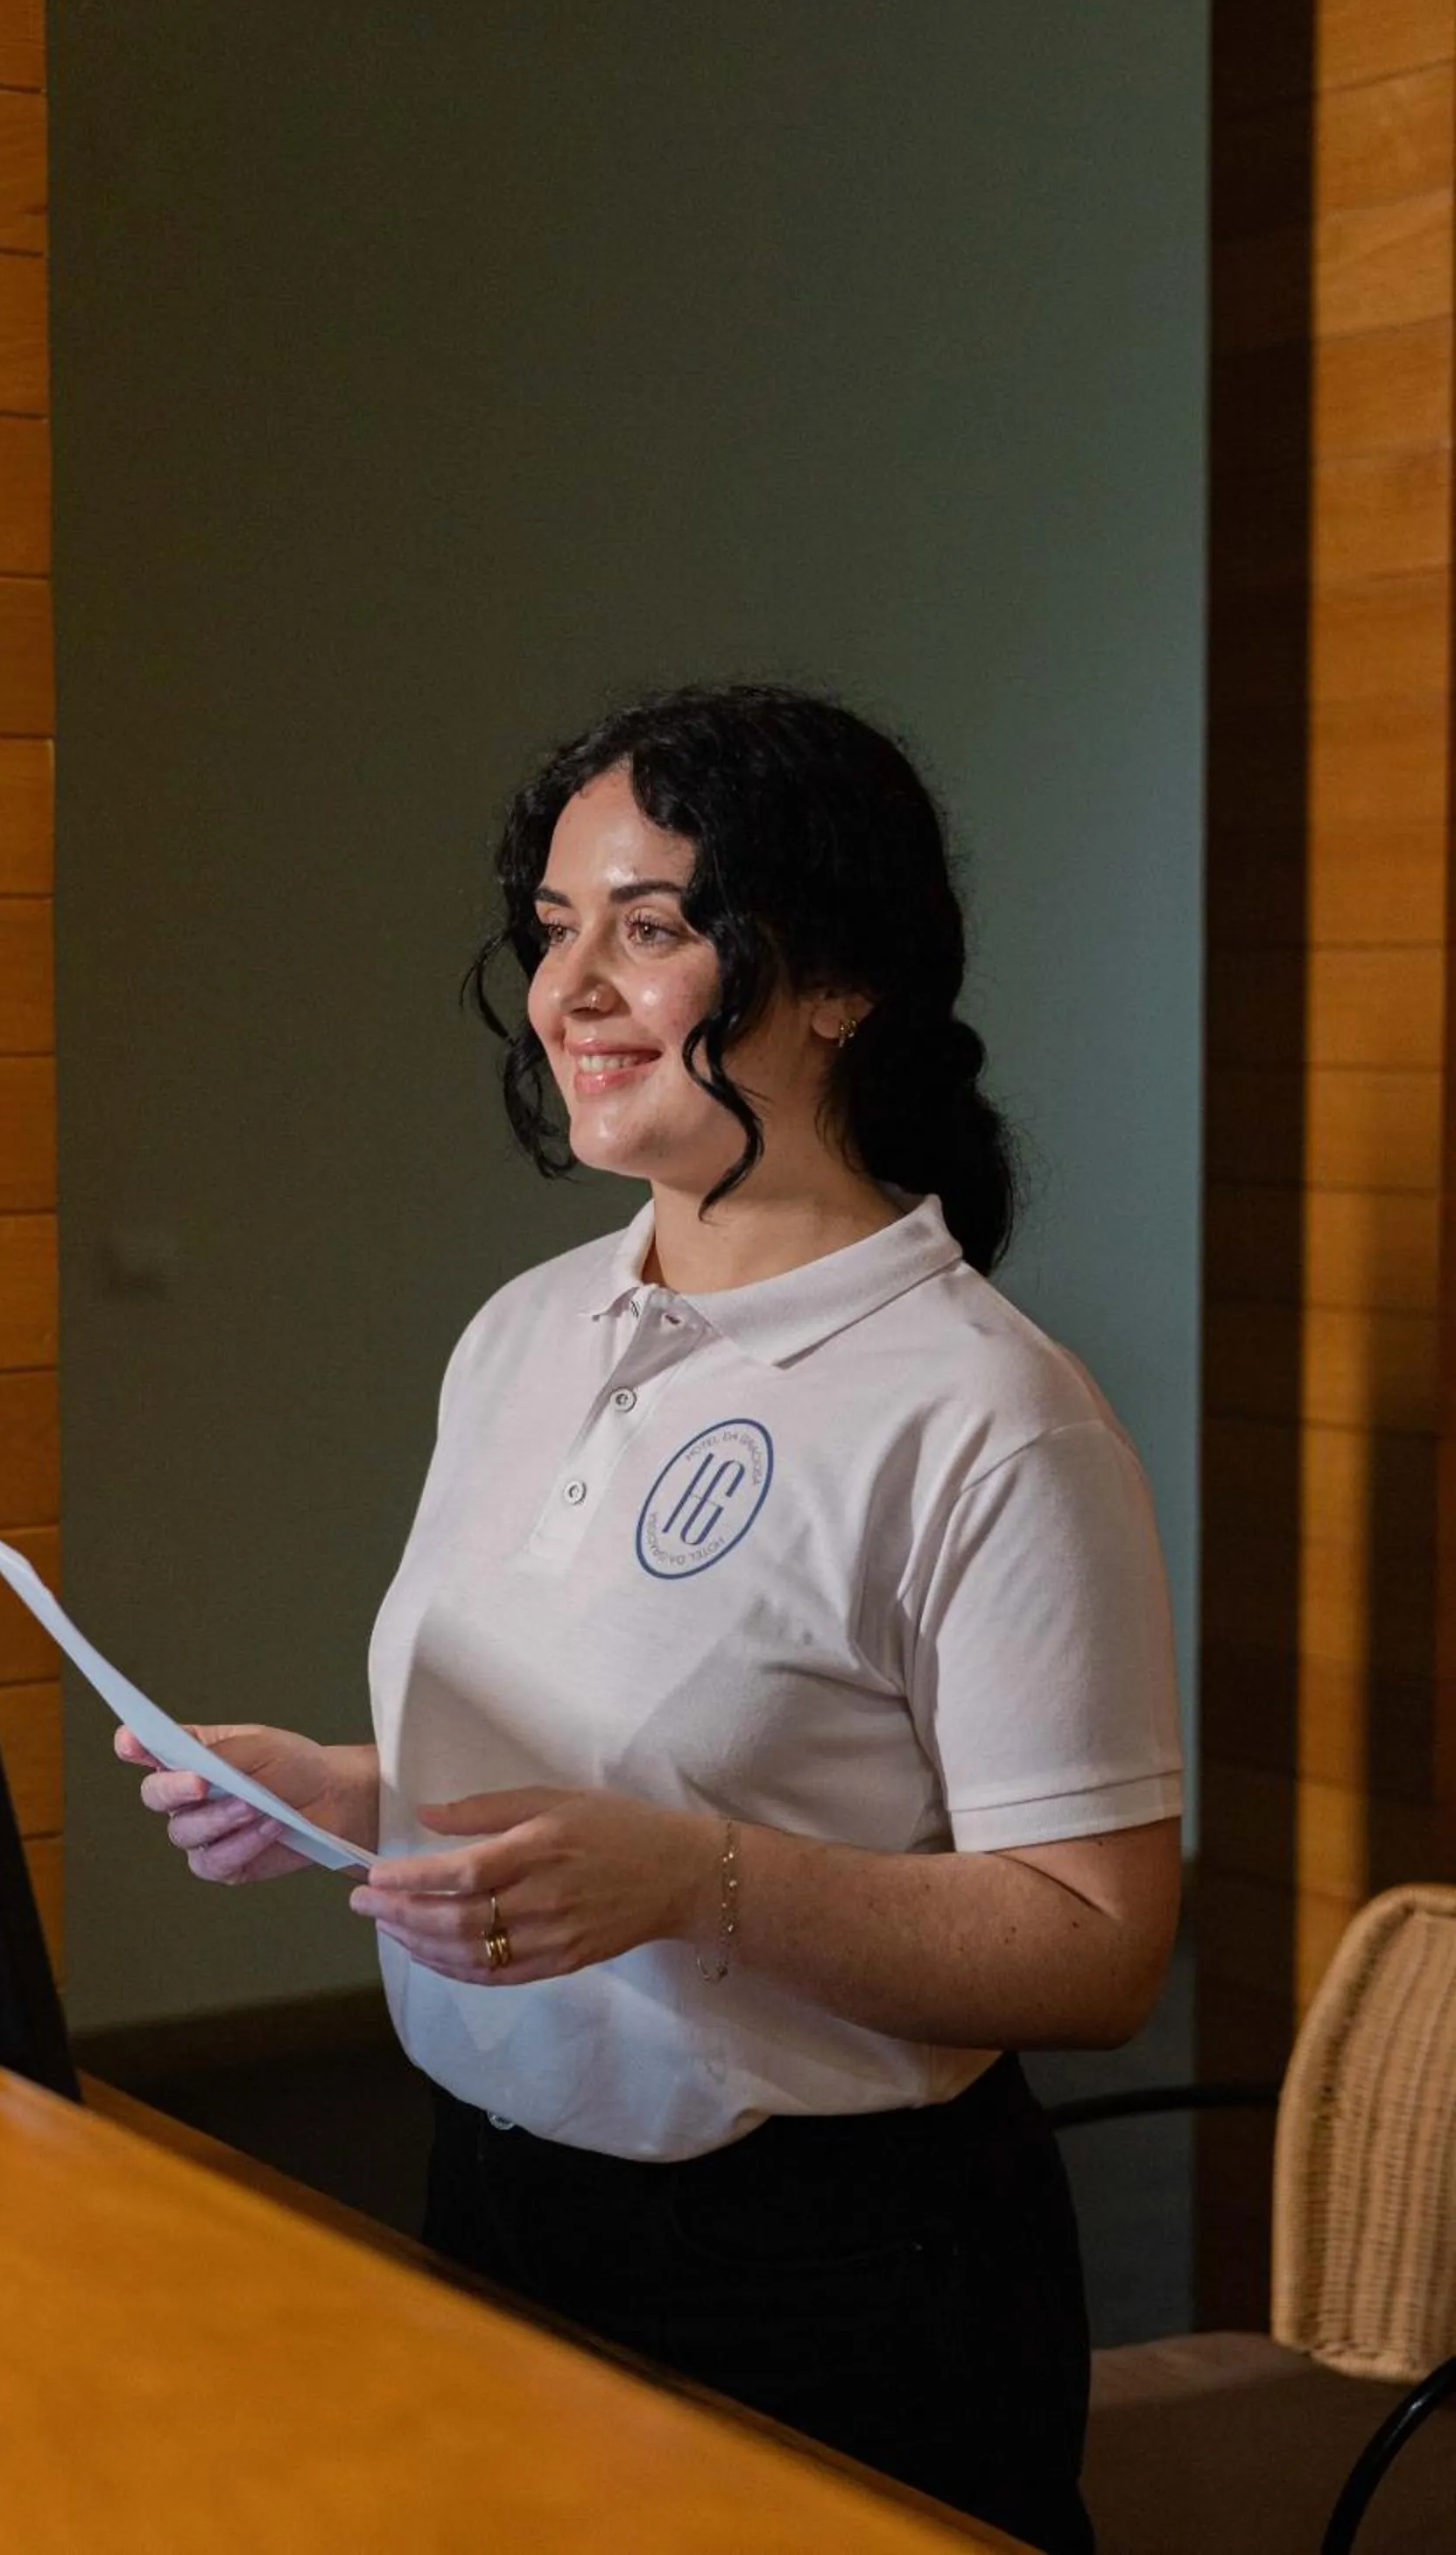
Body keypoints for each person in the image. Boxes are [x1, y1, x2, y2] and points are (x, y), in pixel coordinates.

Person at [118, 683, 1181, 2554]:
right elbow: (602, 1767)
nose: (569, 993)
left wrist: (701, 1884)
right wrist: (344, 1792)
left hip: (836, 2273)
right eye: (551, 931)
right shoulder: (529, 1329)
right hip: (491, 2201)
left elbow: (1095, 1950)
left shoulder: (989, 1415)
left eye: (653, 926)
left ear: (836, 978)